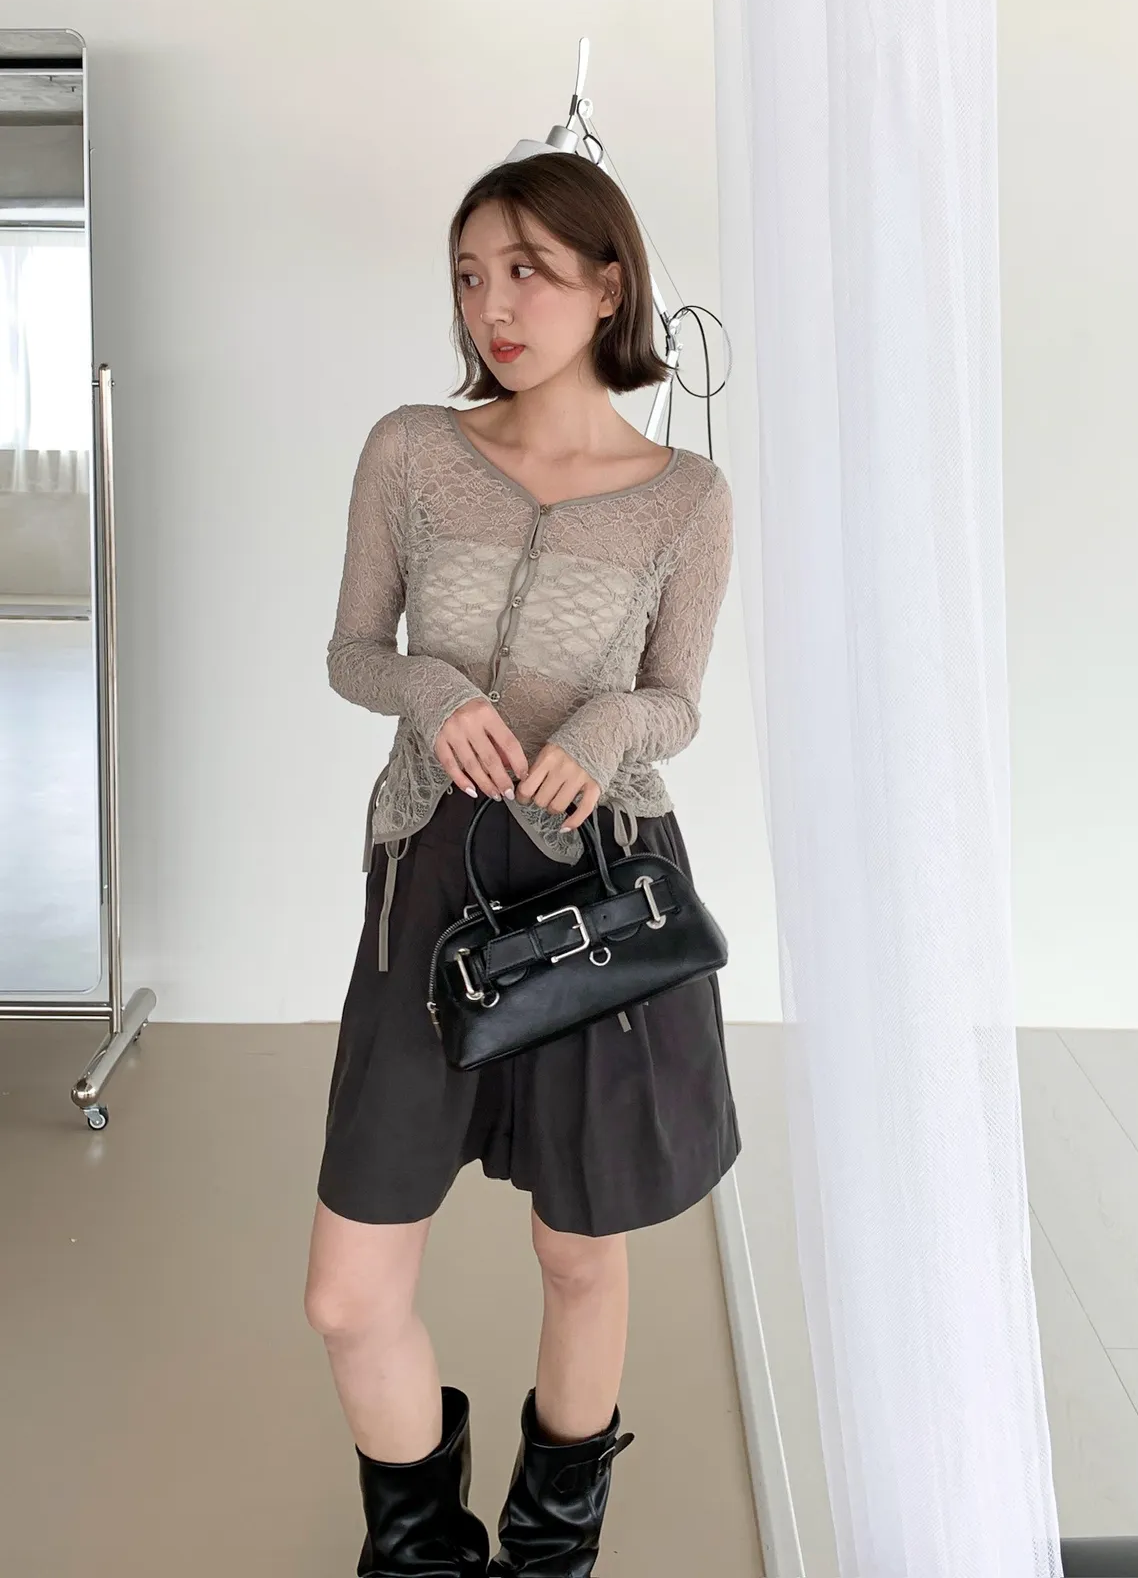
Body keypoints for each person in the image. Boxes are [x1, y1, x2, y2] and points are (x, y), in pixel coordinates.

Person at [303, 150, 742, 1577]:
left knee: (578, 1253)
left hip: (600, 892)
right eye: (469, 276)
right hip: (429, 881)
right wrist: (433, 691)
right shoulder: (412, 452)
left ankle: (550, 1558)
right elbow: (353, 651)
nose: (492, 306)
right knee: (349, 1293)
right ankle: (424, 1556)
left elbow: (677, 701)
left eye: (528, 273)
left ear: (609, 286)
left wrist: (608, 724)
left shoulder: (685, 496)